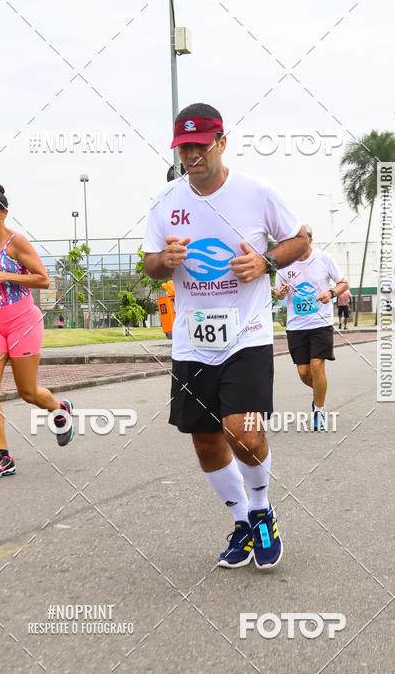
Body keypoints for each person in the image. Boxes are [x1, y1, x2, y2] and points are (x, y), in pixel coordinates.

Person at [143, 103, 307, 570]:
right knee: (206, 441)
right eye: (183, 147)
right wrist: (165, 260)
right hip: (193, 341)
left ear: (222, 143)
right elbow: (151, 264)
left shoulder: (258, 192)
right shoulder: (165, 200)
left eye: (200, 145)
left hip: (247, 335)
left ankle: (262, 510)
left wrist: (267, 261)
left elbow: (300, 241)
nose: (192, 155)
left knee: (244, 433)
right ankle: (243, 521)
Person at [0, 185, 75, 480]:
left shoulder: (16, 242)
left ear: (3, 213)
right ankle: (3, 456)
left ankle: (60, 408)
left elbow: (44, 280)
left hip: (22, 321)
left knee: (27, 392)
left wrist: (4, 275)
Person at [274, 227, 348, 432]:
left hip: (321, 322)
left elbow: (343, 282)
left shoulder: (324, 258)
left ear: (310, 240)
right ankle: (319, 394)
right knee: (304, 372)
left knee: (317, 366)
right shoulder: (284, 263)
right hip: (296, 325)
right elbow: (278, 294)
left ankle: (319, 409)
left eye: (301, 240)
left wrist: (331, 292)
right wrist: (280, 292)